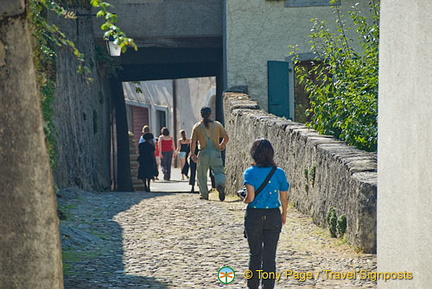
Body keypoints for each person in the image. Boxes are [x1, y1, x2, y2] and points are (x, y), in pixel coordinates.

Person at [241, 138, 289, 289]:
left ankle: (252, 286)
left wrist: (243, 199)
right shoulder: (279, 172)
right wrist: (284, 214)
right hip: (273, 215)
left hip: (254, 216)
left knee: (255, 255)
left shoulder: (249, 172)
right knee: (270, 257)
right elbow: (284, 197)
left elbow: (250, 198)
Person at [190, 106, 229, 201]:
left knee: (201, 174)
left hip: (203, 153)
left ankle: (204, 194)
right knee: (219, 171)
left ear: (201, 114)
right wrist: (222, 144)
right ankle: (220, 185)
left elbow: (193, 141)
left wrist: (192, 154)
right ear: (210, 114)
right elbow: (226, 137)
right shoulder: (217, 125)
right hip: (215, 152)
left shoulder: (197, 127)